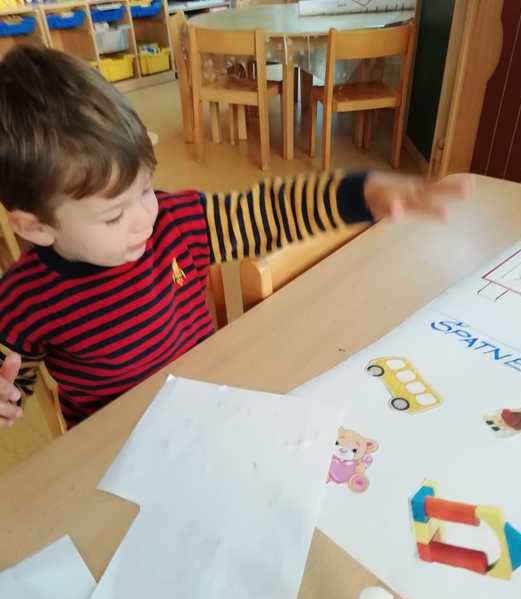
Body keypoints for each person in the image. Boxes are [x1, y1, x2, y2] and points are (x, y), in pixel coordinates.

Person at [0, 44, 470, 429]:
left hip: (212, 404)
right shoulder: (23, 299)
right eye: (114, 216)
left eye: (145, 189)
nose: (145, 217)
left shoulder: (177, 222)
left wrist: (359, 193)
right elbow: (12, 378)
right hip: (118, 443)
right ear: (35, 226)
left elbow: (272, 212)